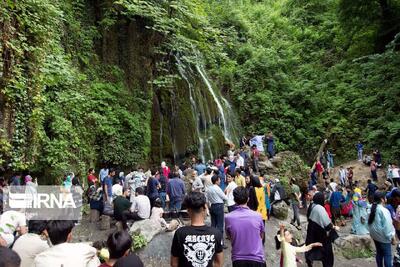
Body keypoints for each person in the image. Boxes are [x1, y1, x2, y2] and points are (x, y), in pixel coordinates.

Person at [170, 192, 223, 267]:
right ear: (205, 207)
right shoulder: (216, 233)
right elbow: (219, 263)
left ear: (188, 210)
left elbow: (174, 263)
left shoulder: (180, 233)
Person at [225, 186, 265, 266]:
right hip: (257, 258)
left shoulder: (228, 217)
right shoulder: (258, 216)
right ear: (248, 199)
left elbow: (230, 236)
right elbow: (261, 235)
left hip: (238, 259)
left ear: (234, 200)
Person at [34, 220, 100, 266]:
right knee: (93, 258)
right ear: (69, 236)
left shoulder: (39, 258)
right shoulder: (81, 249)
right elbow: (95, 251)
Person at [305, 192, 339, 267]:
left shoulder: (313, 206)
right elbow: (327, 225)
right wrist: (334, 227)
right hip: (321, 235)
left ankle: (310, 261)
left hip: (313, 234)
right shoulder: (320, 209)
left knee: (315, 250)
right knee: (328, 255)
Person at [369, 191, 395, 267]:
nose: (386, 198)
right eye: (385, 197)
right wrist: (392, 237)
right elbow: (387, 226)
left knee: (379, 253)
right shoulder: (384, 211)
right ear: (382, 199)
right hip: (383, 237)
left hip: (375, 236)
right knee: (387, 255)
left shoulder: (372, 207)